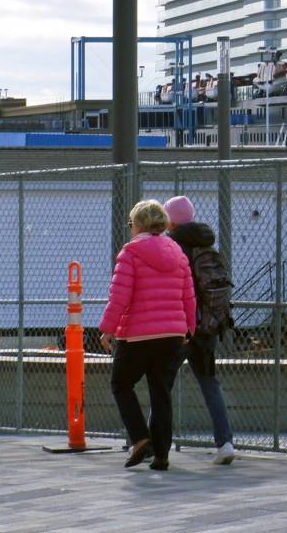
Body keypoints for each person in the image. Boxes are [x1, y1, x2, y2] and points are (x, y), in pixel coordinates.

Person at [98, 199, 195, 471]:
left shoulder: (131, 252)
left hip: (138, 336)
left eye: (131, 224)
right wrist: (188, 328)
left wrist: (108, 328)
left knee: (121, 384)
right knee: (160, 392)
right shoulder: (177, 252)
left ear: (139, 224)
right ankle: (162, 455)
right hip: (173, 334)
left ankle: (140, 438)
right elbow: (189, 295)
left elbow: (119, 296)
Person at [164, 195, 237, 465]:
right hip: (207, 327)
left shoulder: (171, 247)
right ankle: (225, 442)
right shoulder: (207, 245)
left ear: (170, 220)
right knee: (209, 384)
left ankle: (155, 442)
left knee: (163, 384)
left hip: (180, 326)